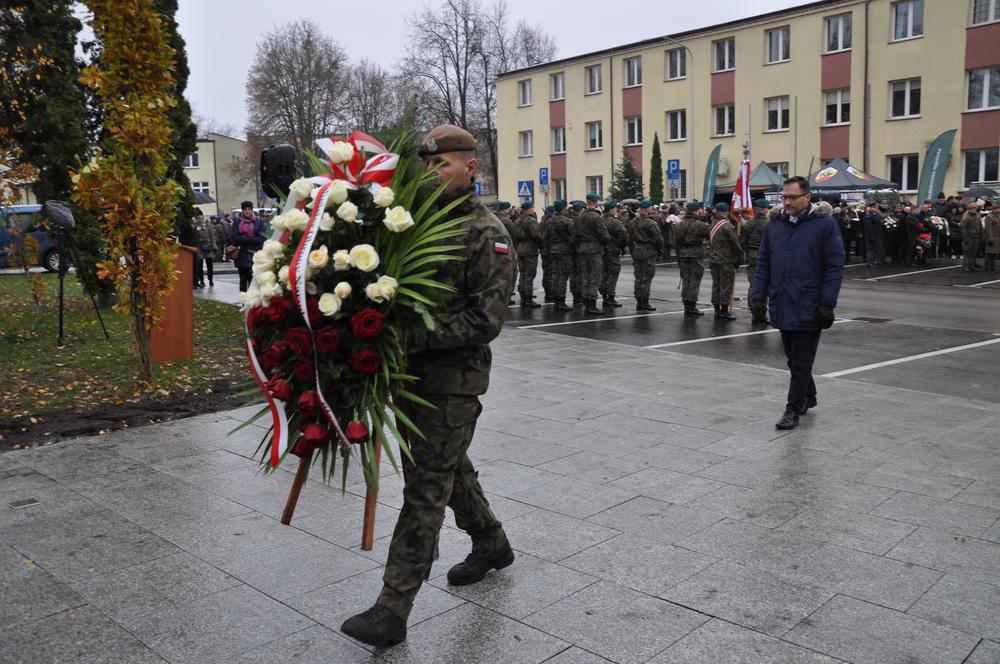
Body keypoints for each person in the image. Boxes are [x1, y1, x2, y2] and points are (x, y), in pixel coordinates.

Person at [340, 124, 517, 648]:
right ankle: (491, 543)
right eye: (428, 164)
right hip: (411, 377)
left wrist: (410, 335)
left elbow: (485, 320)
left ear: (472, 168)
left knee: (425, 485)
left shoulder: (490, 233)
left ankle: (392, 608)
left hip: (454, 380)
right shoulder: (417, 226)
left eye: (444, 164)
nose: (434, 172)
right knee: (446, 465)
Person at [751, 176, 844, 430]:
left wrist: (827, 303)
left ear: (807, 198)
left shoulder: (824, 225)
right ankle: (809, 395)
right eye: (784, 197)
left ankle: (793, 409)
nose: (787, 202)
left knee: (801, 361)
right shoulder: (775, 226)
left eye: (792, 197)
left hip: (810, 305)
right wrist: (757, 295)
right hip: (782, 301)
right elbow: (764, 264)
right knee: (793, 359)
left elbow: (834, 268)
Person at [574, 193, 611, 315]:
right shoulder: (596, 217)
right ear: (595, 203)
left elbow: (576, 234)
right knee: (594, 277)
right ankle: (592, 304)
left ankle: (586, 303)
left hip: (582, 249)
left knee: (585, 277)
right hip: (594, 249)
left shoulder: (580, 216)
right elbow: (604, 235)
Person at [674, 200, 709, 317]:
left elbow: (676, 241)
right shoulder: (701, 225)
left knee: (686, 280)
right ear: (695, 211)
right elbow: (709, 237)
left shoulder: (679, 224)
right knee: (695, 280)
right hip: (696, 253)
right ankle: (692, 305)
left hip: (683, 253)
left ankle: (686, 305)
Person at [708, 202, 741, 321]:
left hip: (714, 260)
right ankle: (724, 311)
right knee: (726, 286)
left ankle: (717, 310)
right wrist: (739, 259)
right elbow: (735, 244)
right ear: (726, 212)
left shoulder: (712, 224)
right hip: (726, 261)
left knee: (716, 285)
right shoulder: (727, 226)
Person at [630, 199, 663, 311]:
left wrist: (632, 250)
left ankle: (639, 301)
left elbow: (629, 239)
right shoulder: (650, 223)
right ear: (647, 209)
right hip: (648, 251)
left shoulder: (632, 222)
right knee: (647, 277)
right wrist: (659, 249)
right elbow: (658, 239)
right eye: (650, 208)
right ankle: (645, 301)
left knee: (638, 277)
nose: (652, 209)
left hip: (637, 250)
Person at [742, 199, 771, 324]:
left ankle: (755, 313)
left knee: (753, 285)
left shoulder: (749, 224)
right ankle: (762, 314)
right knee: (766, 286)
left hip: (752, 255)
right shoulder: (770, 224)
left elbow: (742, 242)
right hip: (766, 257)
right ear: (764, 209)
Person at [545, 199, 575, 311]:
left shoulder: (549, 221)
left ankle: (556, 299)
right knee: (563, 276)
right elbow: (573, 237)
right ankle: (561, 300)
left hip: (553, 250)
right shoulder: (567, 222)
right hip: (564, 252)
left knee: (555, 275)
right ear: (563, 209)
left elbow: (546, 238)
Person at [512, 200, 543, 308]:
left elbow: (514, 237)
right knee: (529, 275)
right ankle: (528, 299)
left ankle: (523, 297)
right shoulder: (530, 221)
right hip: (530, 250)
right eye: (532, 208)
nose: (533, 209)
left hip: (520, 249)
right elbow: (537, 235)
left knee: (523, 274)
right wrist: (542, 245)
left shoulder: (517, 221)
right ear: (529, 209)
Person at [231, 201, 265, 292]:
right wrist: (245, 239)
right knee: (243, 280)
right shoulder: (237, 222)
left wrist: (253, 239)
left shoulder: (258, 222)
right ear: (242, 210)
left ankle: (252, 301)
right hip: (241, 254)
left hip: (255, 254)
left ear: (252, 210)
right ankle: (243, 301)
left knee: (253, 280)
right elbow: (234, 237)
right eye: (245, 209)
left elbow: (263, 237)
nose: (247, 211)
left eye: (249, 209)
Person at [600, 200, 627, 308]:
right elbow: (623, 234)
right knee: (613, 273)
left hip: (602, 250)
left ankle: (604, 297)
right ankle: (610, 297)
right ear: (611, 209)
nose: (616, 210)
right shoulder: (615, 222)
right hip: (613, 250)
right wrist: (622, 246)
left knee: (604, 273)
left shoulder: (601, 220)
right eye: (615, 208)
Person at [197, 215, 223, 287]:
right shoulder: (196, 226)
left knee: (210, 266)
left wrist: (214, 247)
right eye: (198, 218)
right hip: (200, 248)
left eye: (201, 217)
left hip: (209, 247)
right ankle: (201, 281)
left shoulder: (209, 226)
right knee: (200, 266)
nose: (200, 219)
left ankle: (210, 280)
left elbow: (212, 236)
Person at [961, 202, 983, 272]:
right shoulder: (966, 216)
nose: (975, 209)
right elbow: (963, 228)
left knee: (974, 253)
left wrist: (981, 235)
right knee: (967, 253)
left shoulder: (977, 215)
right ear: (969, 209)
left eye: (976, 208)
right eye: (974, 208)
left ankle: (972, 265)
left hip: (976, 236)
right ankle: (966, 266)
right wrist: (965, 238)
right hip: (969, 237)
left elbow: (980, 226)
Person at [983, 201, 1000, 271]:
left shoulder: (997, 216)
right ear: (993, 209)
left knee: (994, 252)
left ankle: (992, 265)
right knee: (989, 252)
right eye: (996, 209)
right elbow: (988, 229)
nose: (998, 210)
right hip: (992, 237)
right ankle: (987, 265)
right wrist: (990, 239)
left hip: (997, 237)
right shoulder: (989, 217)